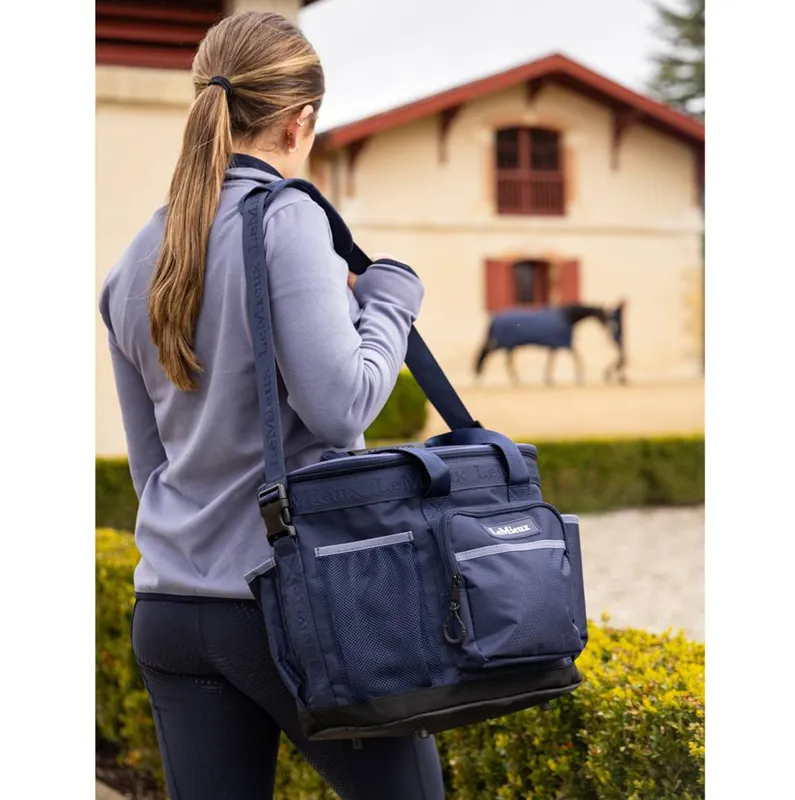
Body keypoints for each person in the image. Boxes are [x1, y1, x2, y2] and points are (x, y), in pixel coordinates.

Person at [99, 11, 445, 800]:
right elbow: (342, 405)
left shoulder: (138, 255)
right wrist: (390, 297)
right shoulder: (289, 220)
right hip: (291, 604)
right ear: (303, 119)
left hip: (170, 610)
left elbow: (151, 467)